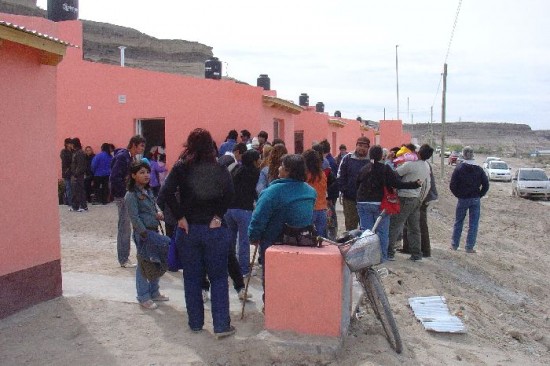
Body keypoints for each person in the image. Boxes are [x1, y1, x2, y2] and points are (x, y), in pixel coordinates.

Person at [163, 128, 236, 338]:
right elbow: (230, 193)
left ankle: (195, 323)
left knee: (192, 278)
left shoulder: (181, 167)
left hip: (189, 229)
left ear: (189, 145)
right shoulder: (219, 168)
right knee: (219, 278)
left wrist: (179, 216)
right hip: (213, 229)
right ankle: (221, 325)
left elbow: (166, 192)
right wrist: (218, 216)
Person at [248, 154, 316, 307]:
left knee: (272, 278)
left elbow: (258, 218)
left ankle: (271, 307)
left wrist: (253, 236)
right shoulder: (310, 192)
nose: (278, 168)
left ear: (287, 170)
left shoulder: (272, 192)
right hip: (302, 241)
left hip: (274, 242)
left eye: (281, 166)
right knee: (294, 278)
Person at [356, 145, 421, 261]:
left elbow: (357, 184)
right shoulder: (385, 169)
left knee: (366, 232)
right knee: (382, 232)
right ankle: (382, 258)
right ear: (382, 155)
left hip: (363, 202)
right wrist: (414, 184)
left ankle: (366, 259)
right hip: (380, 204)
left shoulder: (364, 168)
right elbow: (397, 184)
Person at [125, 161, 169, 310]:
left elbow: (153, 207)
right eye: (142, 172)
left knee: (155, 261)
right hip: (144, 234)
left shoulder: (148, 191)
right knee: (144, 265)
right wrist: (143, 233)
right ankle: (143, 296)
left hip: (153, 230)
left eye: (147, 172)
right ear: (133, 175)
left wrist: (159, 213)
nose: (146, 175)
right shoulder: (131, 195)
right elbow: (134, 217)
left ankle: (154, 291)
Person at [387, 144, 433, 261]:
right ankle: (416, 254)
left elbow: (394, 174)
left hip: (405, 197)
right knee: (414, 227)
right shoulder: (426, 166)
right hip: (416, 198)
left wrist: (390, 160)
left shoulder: (411, 165)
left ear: (419, 153)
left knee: (395, 224)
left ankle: (389, 252)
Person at [224, 149, 260, 291]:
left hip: (229, 209)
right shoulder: (254, 172)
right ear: (253, 160)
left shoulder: (236, 170)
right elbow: (253, 190)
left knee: (230, 241)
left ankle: (229, 267)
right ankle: (244, 269)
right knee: (244, 241)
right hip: (244, 209)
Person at [110, 135, 146, 268]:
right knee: (124, 227)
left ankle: (127, 256)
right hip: (122, 196)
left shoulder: (129, 157)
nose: (142, 149)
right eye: (141, 145)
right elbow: (115, 177)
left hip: (127, 194)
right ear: (134, 144)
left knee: (129, 225)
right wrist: (125, 193)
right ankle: (123, 258)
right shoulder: (123, 157)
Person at [449, 146, 489, 253]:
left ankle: (454, 245)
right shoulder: (479, 169)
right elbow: (486, 185)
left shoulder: (459, 168)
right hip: (475, 199)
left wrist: (458, 194)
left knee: (459, 222)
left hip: (463, 199)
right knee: (473, 224)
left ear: (464, 154)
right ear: (473, 154)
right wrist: (479, 195)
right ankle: (469, 247)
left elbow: (452, 185)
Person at [401, 156, 438, 257]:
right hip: (418, 198)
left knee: (419, 224)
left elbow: (427, 185)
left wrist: (421, 200)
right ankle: (408, 247)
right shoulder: (420, 165)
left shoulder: (423, 167)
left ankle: (424, 251)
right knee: (410, 224)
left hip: (422, 198)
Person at [337, 137, 371, 231]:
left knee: (366, 229)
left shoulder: (372, 160)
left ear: (368, 148)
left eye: (365, 146)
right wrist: (345, 190)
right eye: (360, 145)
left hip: (366, 200)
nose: (362, 148)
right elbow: (340, 176)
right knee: (350, 226)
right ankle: (350, 245)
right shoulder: (347, 158)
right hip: (349, 199)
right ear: (356, 146)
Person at [303, 149, 327, 237]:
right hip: (322, 208)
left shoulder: (305, 175)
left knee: (307, 236)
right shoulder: (322, 174)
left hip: (309, 209)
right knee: (321, 237)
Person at [70, 138, 88, 212]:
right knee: (75, 190)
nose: (70, 146)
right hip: (76, 174)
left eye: (71, 144)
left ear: (74, 144)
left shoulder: (79, 153)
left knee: (79, 190)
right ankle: (75, 206)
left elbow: (80, 166)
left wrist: (76, 174)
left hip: (78, 175)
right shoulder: (76, 152)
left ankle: (83, 206)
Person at [60, 138, 74, 206]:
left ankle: (73, 201)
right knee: (68, 187)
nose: (71, 145)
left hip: (73, 171)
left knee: (72, 187)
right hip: (67, 171)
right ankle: (70, 202)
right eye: (70, 143)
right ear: (66, 144)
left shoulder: (73, 151)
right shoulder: (63, 151)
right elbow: (65, 161)